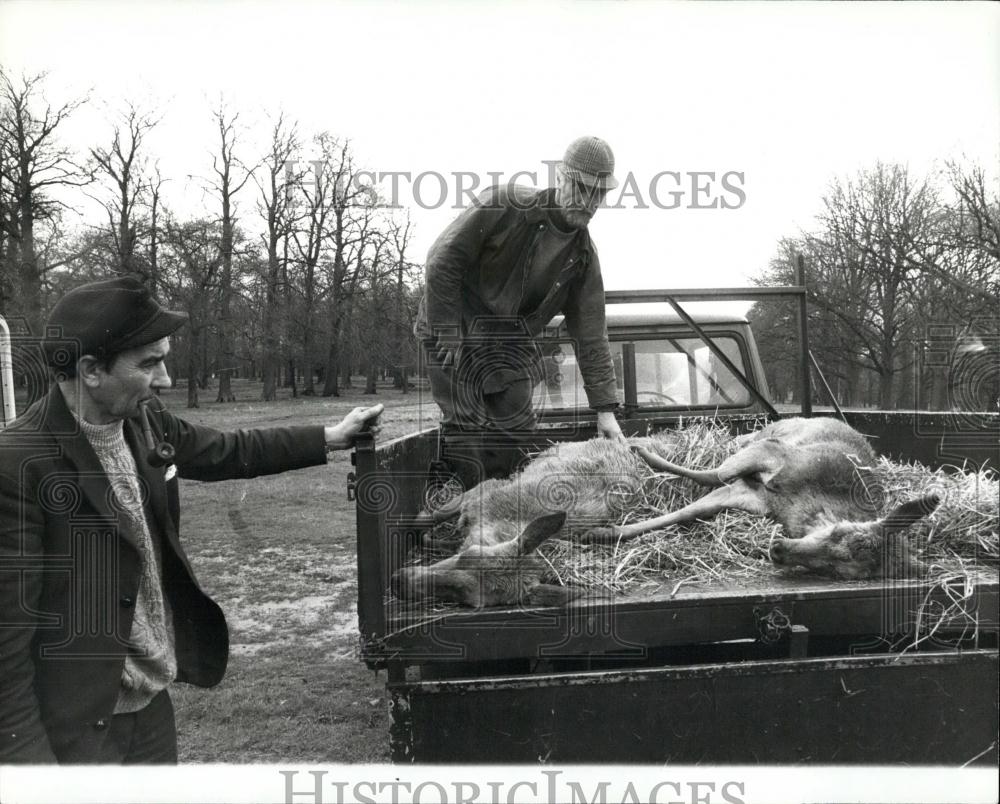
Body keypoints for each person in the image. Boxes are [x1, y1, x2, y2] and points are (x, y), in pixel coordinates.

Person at [0, 275, 382, 764]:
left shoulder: (144, 421)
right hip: (79, 726)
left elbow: (227, 450)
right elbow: (6, 652)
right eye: (150, 363)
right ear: (91, 369)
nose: (165, 380)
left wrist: (331, 435)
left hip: (151, 705)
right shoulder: (20, 465)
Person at [415, 136, 625, 488]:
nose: (588, 202)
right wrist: (447, 330)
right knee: (466, 430)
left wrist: (605, 410)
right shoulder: (505, 204)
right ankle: (467, 517)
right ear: (560, 178)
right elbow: (442, 260)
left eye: (598, 194)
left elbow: (591, 333)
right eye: (580, 188)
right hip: (457, 329)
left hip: (508, 345)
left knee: (516, 433)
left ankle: (506, 516)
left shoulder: (583, 257)